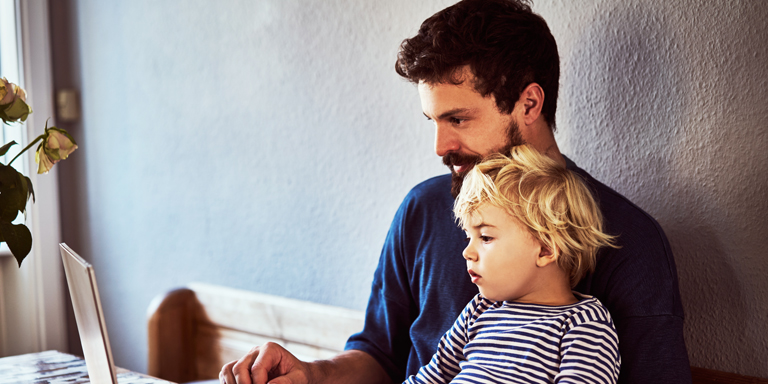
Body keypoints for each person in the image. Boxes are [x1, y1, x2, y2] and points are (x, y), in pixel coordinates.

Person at [220, 1, 690, 383]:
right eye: (434, 121)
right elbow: (379, 357)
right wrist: (312, 375)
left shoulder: (626, 240)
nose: (441, 146)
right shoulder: (423, 209)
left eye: (458, 119)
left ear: (529, 103)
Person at [404, 145, 621, 384]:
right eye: (469, 237)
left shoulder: (583, 325)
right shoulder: (479, 310)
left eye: (485, 237)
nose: (467, 252)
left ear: (546, 249)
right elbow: (432, 377)